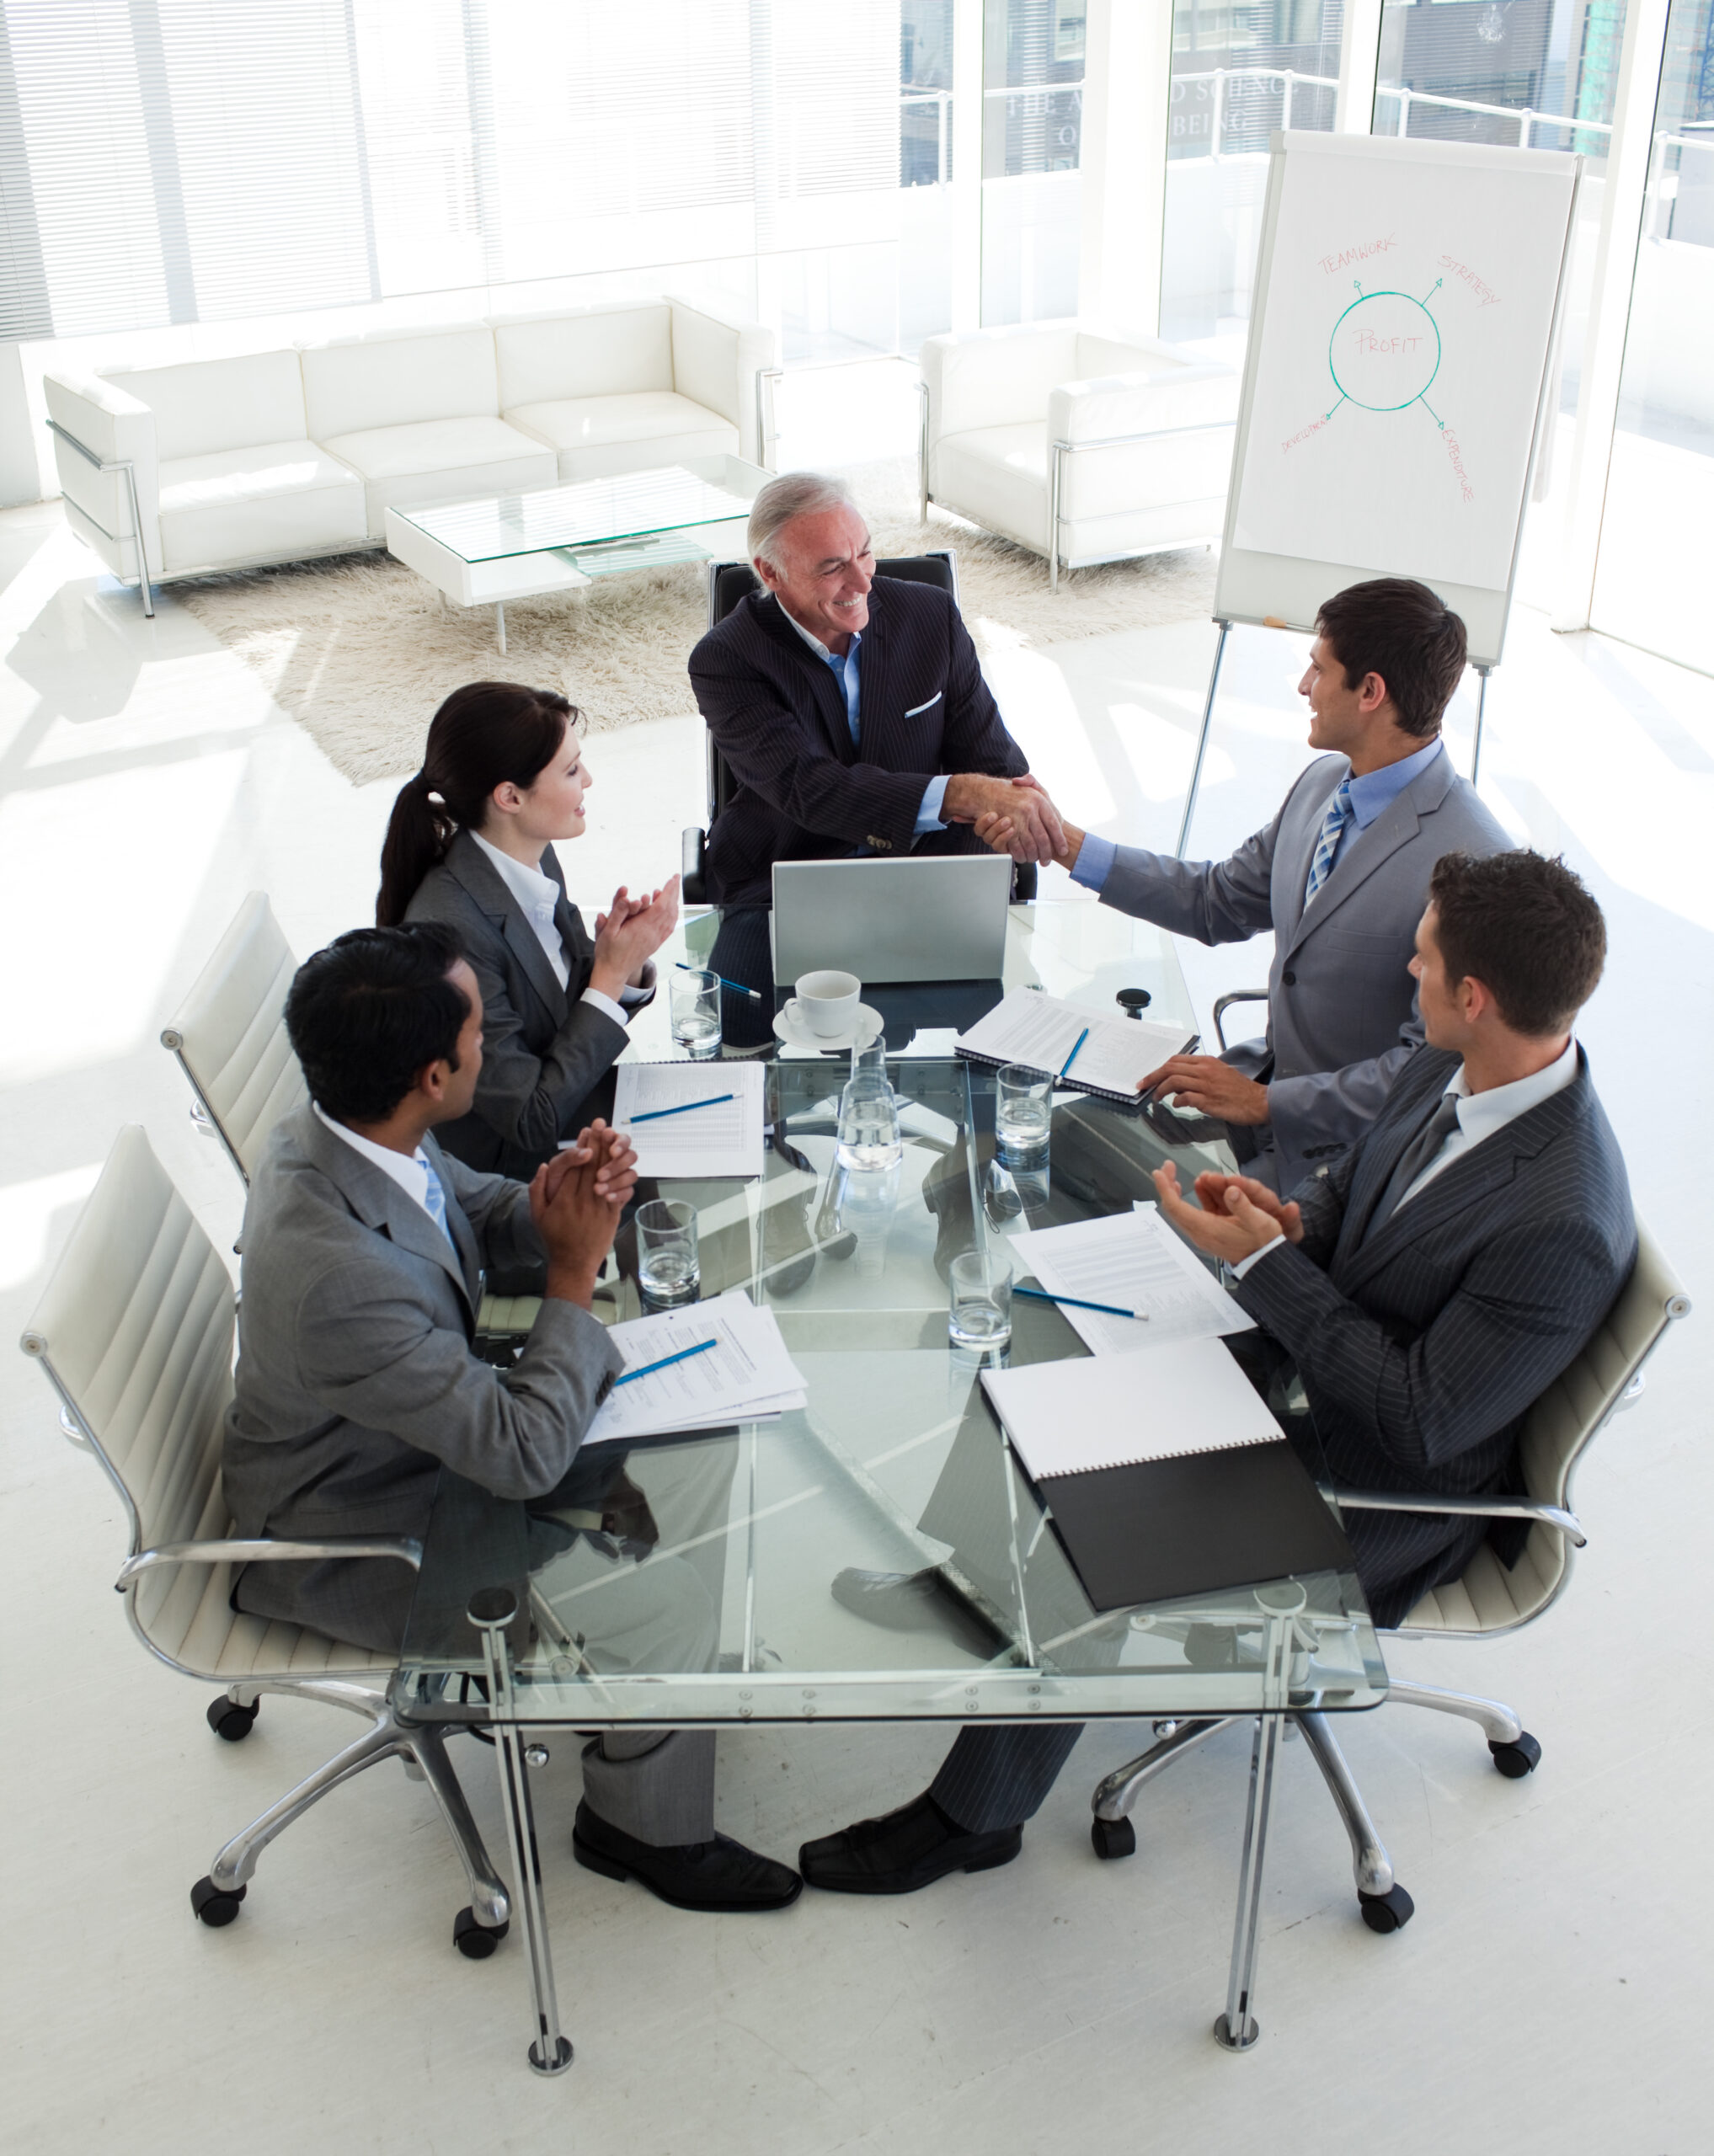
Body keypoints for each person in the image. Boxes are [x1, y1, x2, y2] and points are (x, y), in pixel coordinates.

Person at [798, 850, 1634, 1895]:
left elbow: (1419, 1422)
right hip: (1316, 1366)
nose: (1407, 979)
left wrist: (1267, 1266)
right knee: (1042, 1363)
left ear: (1474, 994)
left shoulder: (1561, 1216)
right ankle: (974, 1586)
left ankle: (975, 1815)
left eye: (1421, 965)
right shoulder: (1455, 1060)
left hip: (1376, 1487)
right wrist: (1288, 1222)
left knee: (1098, 1507)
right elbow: (1355, 1187)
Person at [222, 923, 800, 1913]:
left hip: (407, 1443)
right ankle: (638, 1826)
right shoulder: (339, 1279)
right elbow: (523, 1455)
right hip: (362, 1532)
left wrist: (558, 1195)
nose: (496, 1044)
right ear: (435, 1075)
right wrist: (575, 1268)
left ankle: (654, 1691)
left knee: (699, 1444)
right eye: (482, 1030)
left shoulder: (346, 1131)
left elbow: (466, 1205)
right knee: (666, 1602)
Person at [974, 579, 1509, 1191]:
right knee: (1017, 1150)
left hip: (1344, 1165)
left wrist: (1268, 1104)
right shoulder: (1324, 783)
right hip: (1252, 1098)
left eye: (1317, 669)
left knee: (1068, 1189)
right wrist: (1064, 844)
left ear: (1369, 691)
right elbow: (1216, 901)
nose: (1304, 687)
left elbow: (1433, 1069)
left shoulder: (1473, 864)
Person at [687, 472, 1061, 1034]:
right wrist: (959, 793)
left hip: (933, 876)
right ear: (770, 573)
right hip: (783, 880)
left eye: (864, 553)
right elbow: (807, 788)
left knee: (1009, 1043)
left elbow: (992, 761)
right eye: (831, 566)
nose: (862, 580)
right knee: (735, 1032)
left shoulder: (931, 618)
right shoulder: (726, 659)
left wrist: (1018, 805)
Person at [376, 680, 679, 1178]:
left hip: (577, 1106)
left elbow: (568, 984)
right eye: (571, 770)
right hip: (508, 1174)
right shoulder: (455, 933)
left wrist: (620, 962)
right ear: (510, 797)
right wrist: (607, 978)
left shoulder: (529, 853)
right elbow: (530, 1120)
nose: (589, 779)